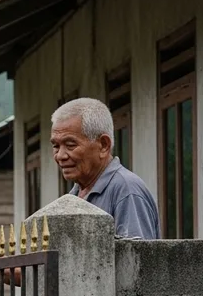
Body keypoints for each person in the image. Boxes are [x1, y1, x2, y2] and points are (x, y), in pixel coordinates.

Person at [52, 97, 160, 239]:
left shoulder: (126, 191)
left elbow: (137, 259)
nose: (60, 156)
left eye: (70, 145)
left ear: (103, 145)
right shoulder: (74, 195)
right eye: (56, 146)